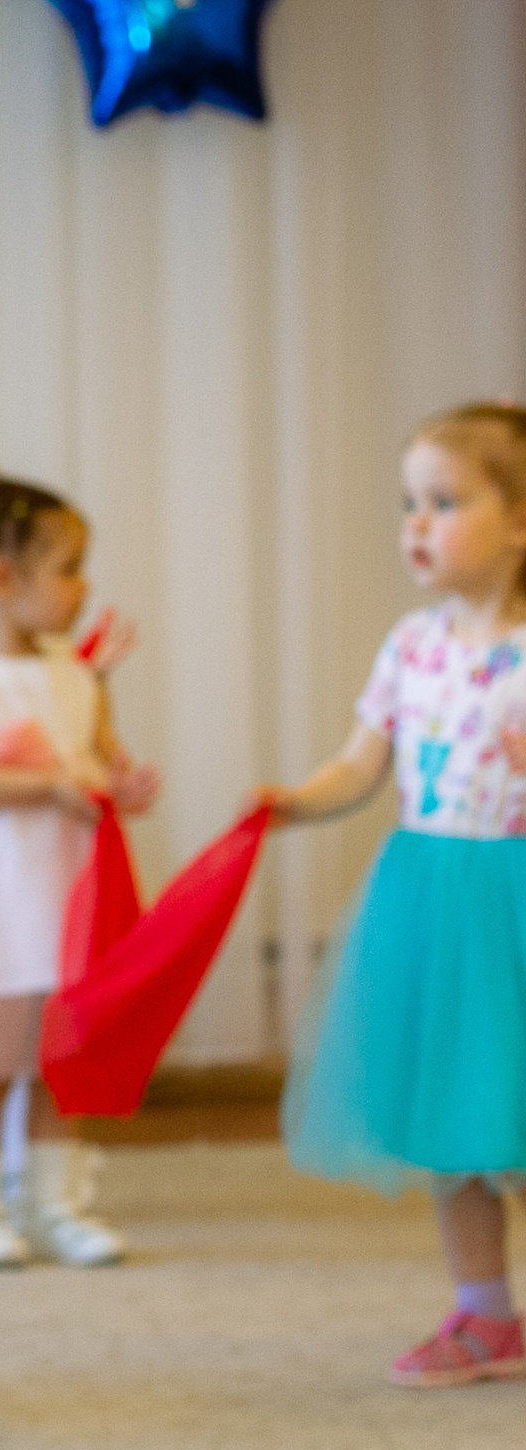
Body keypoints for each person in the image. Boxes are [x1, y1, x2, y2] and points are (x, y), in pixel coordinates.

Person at [265, 402, 526, 1386]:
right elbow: (358, 764)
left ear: (519, 519)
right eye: (407, 502)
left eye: (444, 501)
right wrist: (295, 802)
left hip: (516, 900)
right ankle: (485, 1314)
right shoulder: (411, 644)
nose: (415, 523)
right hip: (431, 900)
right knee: (454, 1120)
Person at [0, 475, 157, 1272]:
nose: (84, 587)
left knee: (62, 1050)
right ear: (2, 580)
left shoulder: (75, 676)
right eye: (69, 567)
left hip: (62, 886)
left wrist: (114, 786)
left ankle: (53, 1201)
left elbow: (93, 759)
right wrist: (46, 786)